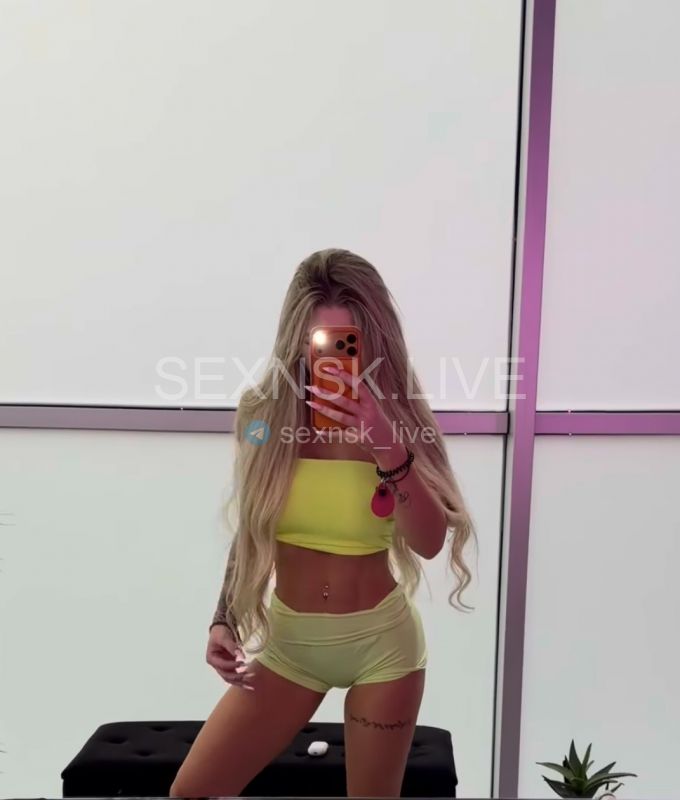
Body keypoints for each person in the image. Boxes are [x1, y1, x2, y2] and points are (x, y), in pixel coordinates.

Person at [170, 248, 476, 798]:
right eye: (320, 342)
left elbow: (430, 542)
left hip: (384, 649)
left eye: (348, 342)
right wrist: (224, 620)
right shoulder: (262, 417)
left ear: (374, 341)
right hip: (291, 648)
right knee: (192, 792)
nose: (333, 360)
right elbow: (253, 524)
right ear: (297, 340)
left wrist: (386, 445)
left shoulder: (402, 420)